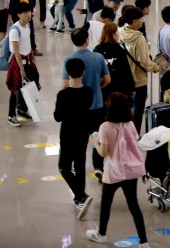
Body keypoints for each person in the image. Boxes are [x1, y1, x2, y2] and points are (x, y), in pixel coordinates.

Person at [86, 93, 150, 247]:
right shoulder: (130, 124)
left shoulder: (105, 127)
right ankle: (143, 241)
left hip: (113, 171)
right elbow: (134, 141)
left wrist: (96, 141)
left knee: (106, 203)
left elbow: (103, 153)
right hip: (130, 170)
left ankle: (101, 233)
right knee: (134, 206)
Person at [62, 28, 111, 181]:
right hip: (97, 105)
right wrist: (97, 86)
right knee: (98, 137)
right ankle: (98, 166)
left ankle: (78, 169)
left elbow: (64, 85)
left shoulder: (69, 61)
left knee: (79, 141)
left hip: (78, 110)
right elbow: (107, 80)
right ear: (87, 40)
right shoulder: (98, 57)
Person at [54, 58, 94, 219]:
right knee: (79, 164)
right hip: (83, 132)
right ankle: (79, 198)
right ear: (83, 73)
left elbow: (58, 117)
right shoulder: (89, 92)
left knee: (64, 167)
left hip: (67, 133)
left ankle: (81, 195)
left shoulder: (63, 95)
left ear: (67, 73)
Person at [120, 6, 160, 133]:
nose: (143, 21)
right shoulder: (139, 38)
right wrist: (155, 67)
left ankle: (124, 132)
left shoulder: (120, 34)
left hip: (124, 80)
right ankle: (135, 134)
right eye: (141, 19)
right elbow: (144, 61)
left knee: (126, 108)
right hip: (138, 80)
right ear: (135, 21)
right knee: (138, 110)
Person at [6, 3, 39, 127]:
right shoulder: (15, 29)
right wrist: (21, 68)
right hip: (18, 61)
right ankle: (11, 115)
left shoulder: (28, 26)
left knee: (33, 83)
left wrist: (32, 58)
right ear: (18, 14)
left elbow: (28, 44)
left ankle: (22, 109)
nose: (28, 15)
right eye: (25, 13)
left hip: (28, 59)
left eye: (29, 12)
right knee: (15, 89)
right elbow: (16, 51)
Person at [93, 22, 136, 102]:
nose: (118, 33)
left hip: (103, 88)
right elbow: (126, 70)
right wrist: (131, 87)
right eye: (117, 32)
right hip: (118, 88)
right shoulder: (119, 50)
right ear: (112, 34)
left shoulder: (97, 50)